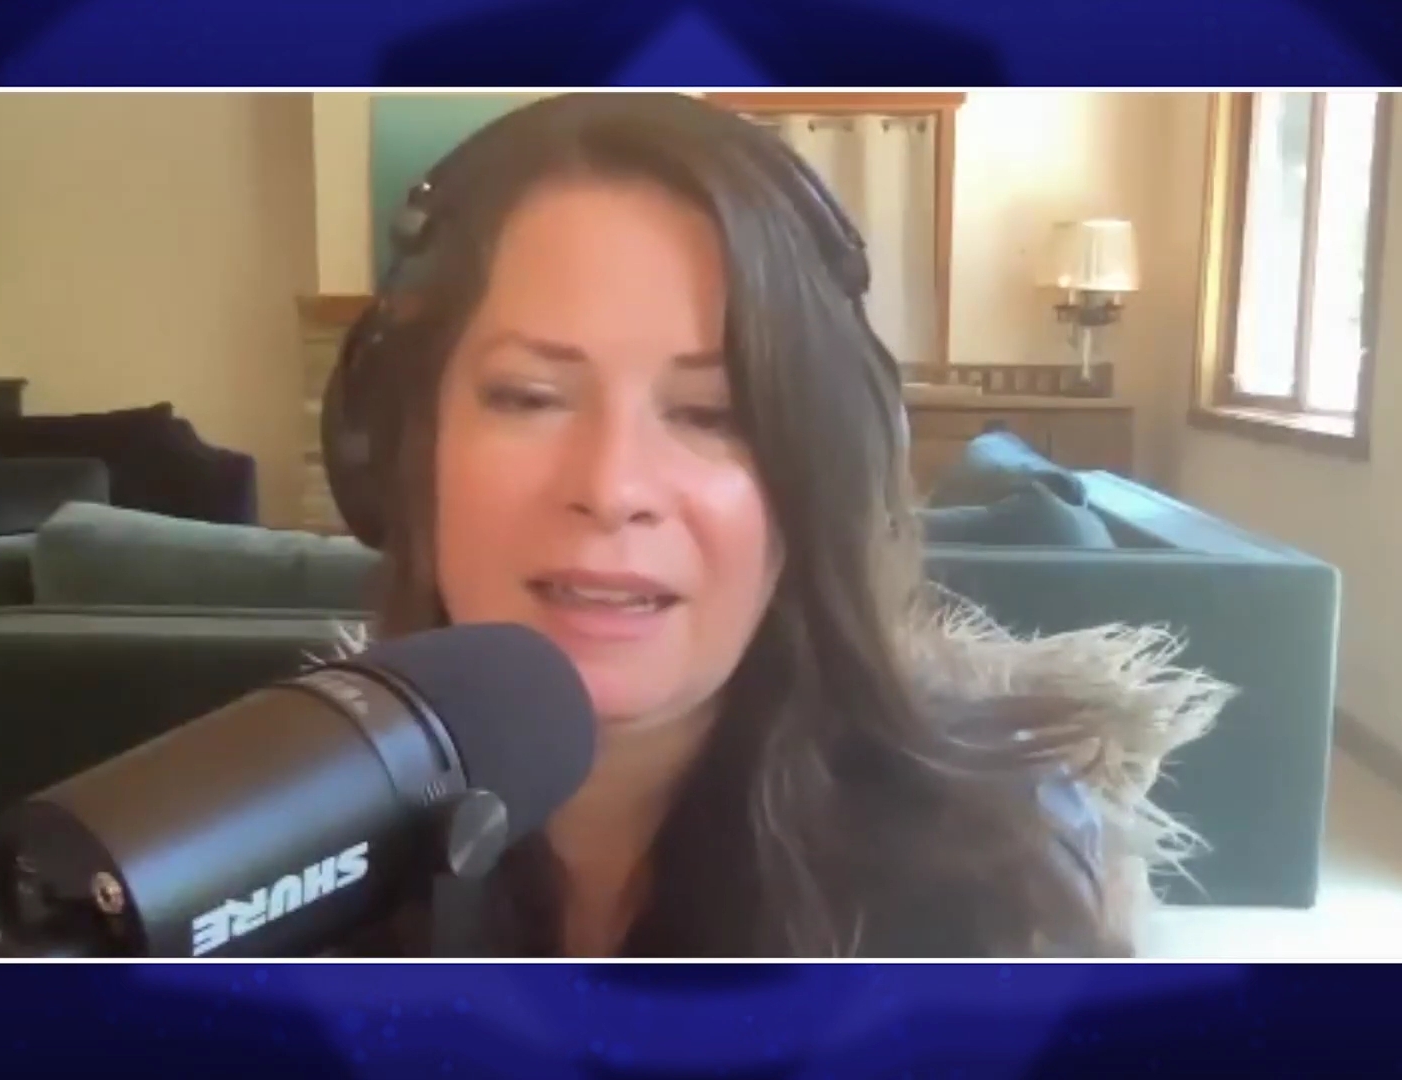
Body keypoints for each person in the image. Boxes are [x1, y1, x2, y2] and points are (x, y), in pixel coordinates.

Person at [326, 92, 1226, 958]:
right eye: (529, 396)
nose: (611, 486)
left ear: (816, 476)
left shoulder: (1001, 882)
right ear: (403, 443)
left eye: (710, 413)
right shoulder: (273, 849)